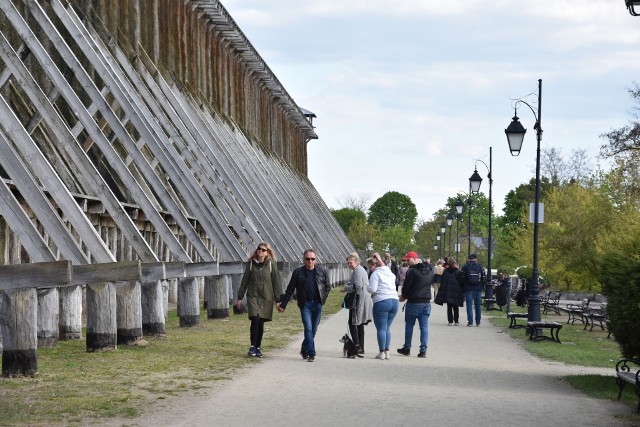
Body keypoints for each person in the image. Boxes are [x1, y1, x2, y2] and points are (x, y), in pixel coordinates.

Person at [277, 249, 331, 362]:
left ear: (315, 260)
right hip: (305, 304)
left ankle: (304, 349)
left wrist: (323, 300)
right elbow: (290, 289)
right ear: (304, 260)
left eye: (312, 259)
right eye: (308, 259)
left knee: (314, 330)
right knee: (308, 329)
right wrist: (283, 305)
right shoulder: (298, 272)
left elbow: (328, 287)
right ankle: (312, 353)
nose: (310, 261)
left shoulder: (322, 271)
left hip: (317, 304)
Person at [236, 243, 281, 358]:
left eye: (263, 250)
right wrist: (240, 297)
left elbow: (276, 283)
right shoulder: (251, 264)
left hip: (266, 298)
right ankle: (252, 346)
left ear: (267, 253)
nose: (260, 251)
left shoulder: (271, 265)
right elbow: (245, 281)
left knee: (260, 322)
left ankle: (258, 347)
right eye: (259, 249)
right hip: (253, 297)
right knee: (255, 319)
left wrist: (278, 300)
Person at [397, 251, 433, 358]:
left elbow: (406, 286)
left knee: (409, 326)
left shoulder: (412, 271)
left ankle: (407, 348)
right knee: (424, 327)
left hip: (414, 302)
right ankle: (423, 350)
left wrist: (403, 296)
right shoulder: (429, 270)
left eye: (408, 260)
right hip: (426, 302)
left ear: (414, 259)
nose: (407, 262)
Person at [367, 252, 399, 360]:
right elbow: (384, 267)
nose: (370, 268)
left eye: (370, 266)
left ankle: (381, 353)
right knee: (387, 328)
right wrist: (379, 259)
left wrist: (367, 287)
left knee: (381, 328)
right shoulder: (388, 272)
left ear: (375, 265)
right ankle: (387, 351)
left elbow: (372, 289)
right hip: (394, 301)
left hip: (382, 301)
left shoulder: (375, 274)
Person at [342, 252, 373, 357]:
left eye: (350, 263)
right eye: (348, 263)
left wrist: (346, 288)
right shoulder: (361, 269)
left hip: (358, 300)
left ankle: (356, 345)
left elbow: (358, 286)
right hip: (363, 298)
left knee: (352, 323)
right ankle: (361, 347)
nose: (349, 265)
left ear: (356, 261)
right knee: (359, 324)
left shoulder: (357, 271)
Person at [461, 253, 485, 326]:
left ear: (469, 259)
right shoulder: (480, 267)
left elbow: (462, 278)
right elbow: (484, 278)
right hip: (478, 289)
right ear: (476, 259)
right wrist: (481, 286)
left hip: (468, 289)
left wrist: (463, 287)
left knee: (469, 306)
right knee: (478, 306)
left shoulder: (465, 267)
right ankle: (478, 322)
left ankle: (470, 322)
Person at [439, 258, 464, 325]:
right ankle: (456, 321)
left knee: (449, 306)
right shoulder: (458, 271)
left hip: (448, 290)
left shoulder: (446, 271)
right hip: (456, 290)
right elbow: (461, 282)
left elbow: (443, 281)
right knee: (456, 306)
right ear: (454, 263)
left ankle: (450, 321)